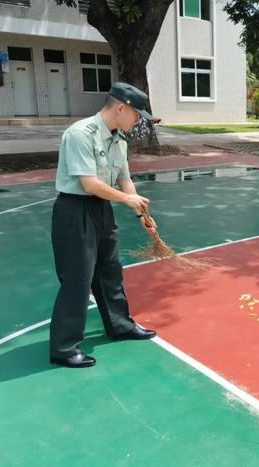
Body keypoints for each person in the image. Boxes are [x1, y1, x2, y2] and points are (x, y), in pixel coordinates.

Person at [49, 82, 158, 368]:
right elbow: (89, 183)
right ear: (121, 108)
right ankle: (64, 348)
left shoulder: (119, 140)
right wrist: (127, 200)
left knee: (110, 270)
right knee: (77, 279)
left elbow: (125, 180)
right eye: (137, 115)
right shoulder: (80, 134)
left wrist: (142, 217)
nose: (137, 122)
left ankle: (120, 325)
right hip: (74, 211)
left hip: (101, 209)